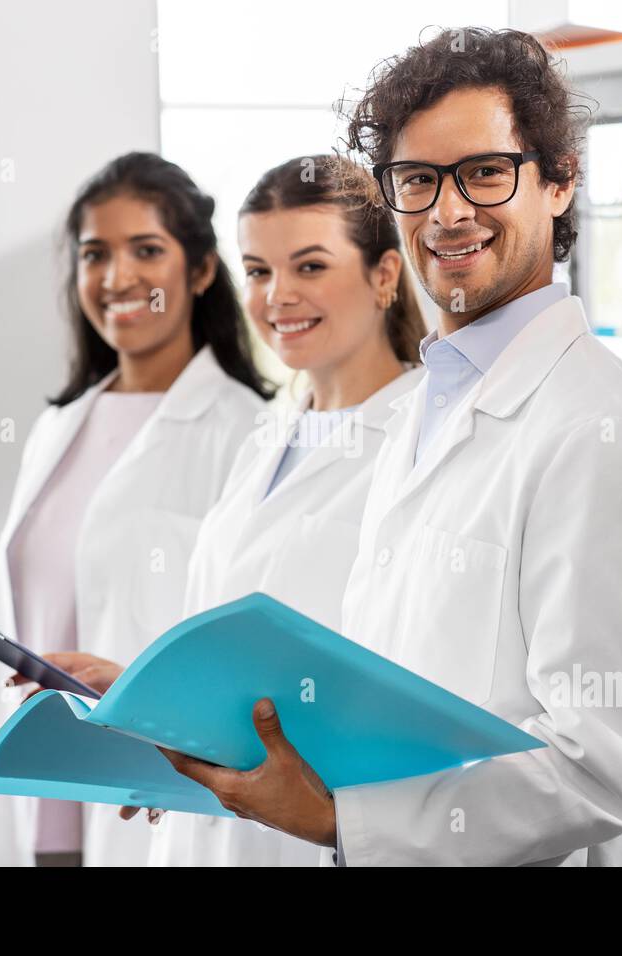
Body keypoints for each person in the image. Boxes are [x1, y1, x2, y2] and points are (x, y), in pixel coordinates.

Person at [155, 28, 622, 867]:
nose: (449, 212)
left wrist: (344, 820)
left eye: (486, 173)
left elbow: (600, 765)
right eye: (417, 181)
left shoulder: (613, 441)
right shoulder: (430, 404)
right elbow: (390, 697)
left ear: (560, 181)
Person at [0, 152, 270, 867]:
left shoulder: (245, 431)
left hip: (144, 800)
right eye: (95, 255)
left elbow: (242, 647)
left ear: (202, 270)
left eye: (146, 250)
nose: (117, 278)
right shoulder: (59, 426)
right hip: (33, 796)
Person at [141, 154, 427, 865]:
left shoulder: (427, 442)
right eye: (260, 271)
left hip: (318, 831)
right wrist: (143, 706)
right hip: (208, 823)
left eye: (309, 267)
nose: (277, 297)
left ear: (384, 275)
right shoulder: (270, 430)